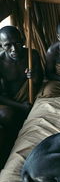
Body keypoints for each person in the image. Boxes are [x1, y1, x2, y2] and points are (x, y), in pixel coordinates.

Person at [0, 25, 43, 167]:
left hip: (29, 98)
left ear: (23, 40)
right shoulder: (0, 63)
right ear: (1, 45)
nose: (14, 49)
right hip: (10, 102)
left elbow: (40, 80)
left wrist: (34, 76)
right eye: (8, 45)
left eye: (17, 43)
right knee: (8, 116)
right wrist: (20, 106)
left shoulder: (32, 55)